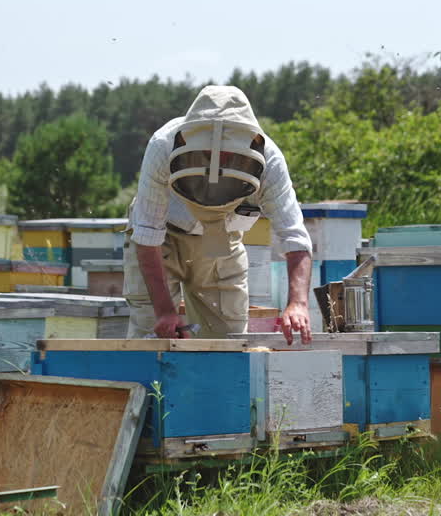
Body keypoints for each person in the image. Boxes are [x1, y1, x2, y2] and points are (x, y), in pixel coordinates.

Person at [123, 84, 314, 343]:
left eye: (229, 157)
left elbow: (295, 237)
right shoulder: (163, 144)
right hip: (161, 241)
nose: (219, 162)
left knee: (229, 343)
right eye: (210, 155)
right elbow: (146, 235)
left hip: (222, 242)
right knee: (152, 339)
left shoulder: (270, 159)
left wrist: (299, 303)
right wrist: (165, 312)